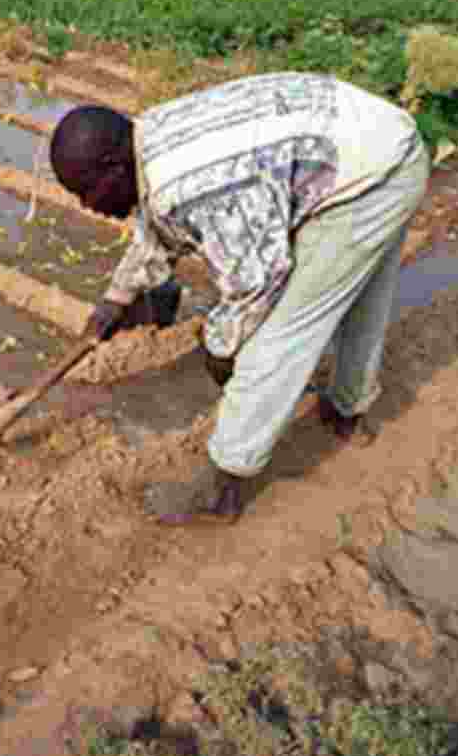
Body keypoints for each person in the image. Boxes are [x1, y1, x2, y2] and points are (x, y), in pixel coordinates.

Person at [50, 75, 429, 526]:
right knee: (354, 287)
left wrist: (220, 346)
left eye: (86, 192)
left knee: (280, 333)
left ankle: (222, 484)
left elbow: (258, 284)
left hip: (371, 179)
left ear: (114, 166)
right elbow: (158, 228)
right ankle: (347, 405)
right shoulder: (148, 138)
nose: (88, 206)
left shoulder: (192, 183)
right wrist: (117, 299)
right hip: (380, 145)